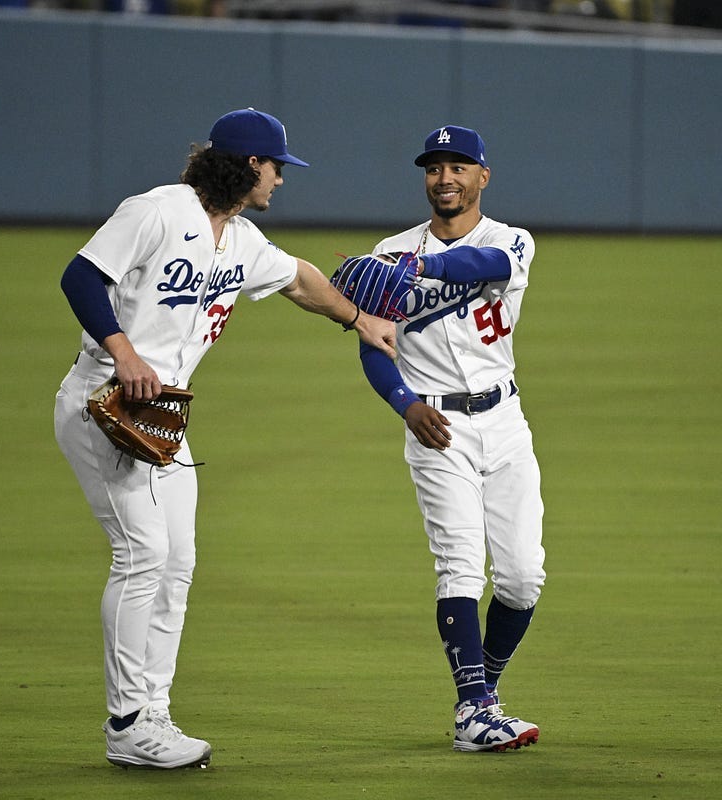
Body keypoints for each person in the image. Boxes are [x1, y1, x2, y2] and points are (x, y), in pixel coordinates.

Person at [53, 108, 396, 769]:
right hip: (102, 404)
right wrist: (122, 350)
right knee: (143, 554)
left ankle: (152, 712)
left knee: (176, 564)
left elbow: (298, 279)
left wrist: (359, 319)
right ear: (247, 165)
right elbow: (80, 276)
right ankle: (126, 725)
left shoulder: (238, 241)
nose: (281, 181)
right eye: (276, 168)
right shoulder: (158, 210)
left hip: (160, 421)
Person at [355, 125, 545, 752]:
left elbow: (483, 264)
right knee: (460, 565)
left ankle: (483, 694)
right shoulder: (390, 252)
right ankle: (473, 710)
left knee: (521, 579)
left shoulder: (511, 240)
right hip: (438, 428)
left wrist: (420, 268)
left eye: (458, 166)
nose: (445, 178)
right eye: (434, 167)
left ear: (482, 177)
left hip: (506, 424)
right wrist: (403, 403)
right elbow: (375, 344)